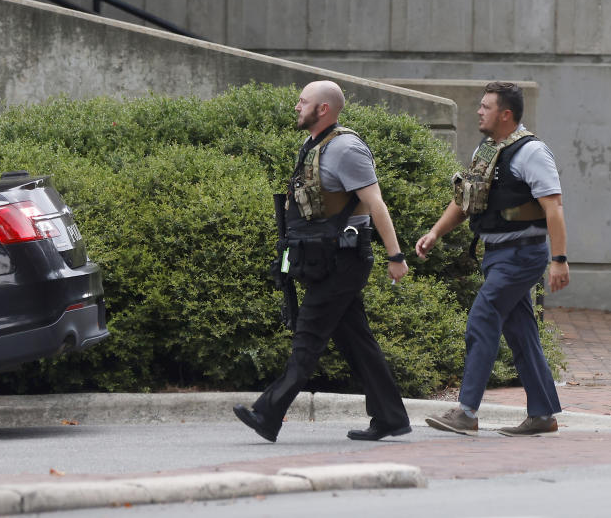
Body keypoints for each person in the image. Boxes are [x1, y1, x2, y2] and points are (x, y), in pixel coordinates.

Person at [233, 80, 411, 442]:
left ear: (323, 109)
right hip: (320, 259)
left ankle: (268, 412)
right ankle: (391, 417)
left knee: (308, 336)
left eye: (303, 101)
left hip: (344, 260)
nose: (297, 106)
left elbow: (375, 203)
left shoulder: (346, 148)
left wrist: (396, 256)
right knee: (357, 343)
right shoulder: (312, 145)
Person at [415, 81, 570, 437]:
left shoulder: (532, 153)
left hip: (523, 254)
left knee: (483, 317)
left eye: (485, 107)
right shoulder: (487, 150)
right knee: (521, 332)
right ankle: (543, 414)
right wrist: (436, 232)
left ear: (505, 114)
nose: (478, 111)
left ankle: (467, 412)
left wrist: (559, 259)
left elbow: (554, 207)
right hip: (497, 255)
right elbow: (465, 199)